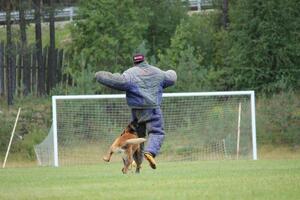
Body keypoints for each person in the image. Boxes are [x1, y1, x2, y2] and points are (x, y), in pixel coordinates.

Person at [95, 53, 177, 169]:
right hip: (152, 109)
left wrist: (99, 75)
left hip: (136, 111)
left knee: (138, 139)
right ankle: (150, 152)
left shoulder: (130, 74)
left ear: (134, 63)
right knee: (156, 132)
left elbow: (115, 80)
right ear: (145, 61)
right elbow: (171, 77)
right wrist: (171, 72)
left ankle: (138, 165)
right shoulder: (158, 73)